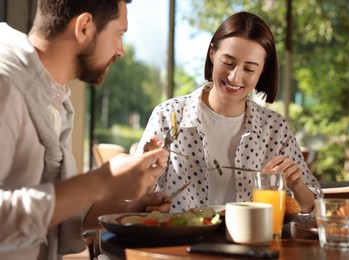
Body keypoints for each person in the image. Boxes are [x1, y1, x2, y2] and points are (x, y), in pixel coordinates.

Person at [0, 0, 170, 259]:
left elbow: (50, 208)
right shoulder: (5, 84)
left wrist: (129, 209)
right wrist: (101, 182)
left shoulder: (55, 101)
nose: (121, 50)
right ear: (84, 27)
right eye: (119, 34)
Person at [136, 11, 323, 213]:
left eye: (249, 69)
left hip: (253, 242)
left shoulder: (274, 127)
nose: (234, 77)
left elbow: (311, 207)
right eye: (228, 63)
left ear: (263, 70)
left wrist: (296, 184)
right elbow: (136, 199)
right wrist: (147, 175)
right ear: (212, 54)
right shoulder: (168, 115)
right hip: (180, 240)